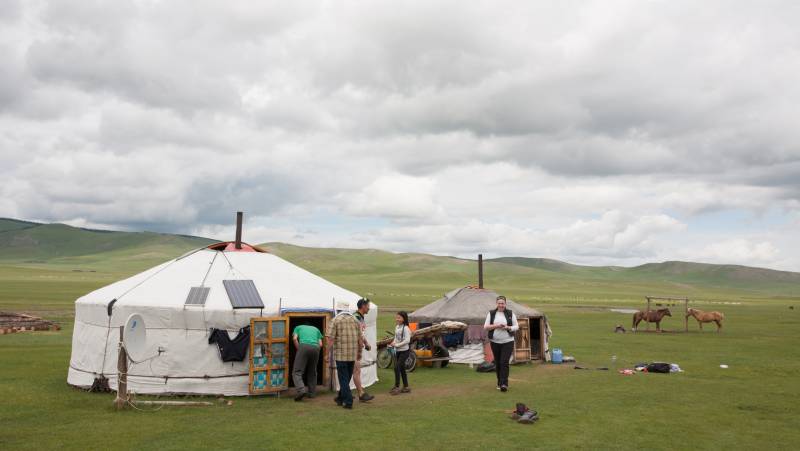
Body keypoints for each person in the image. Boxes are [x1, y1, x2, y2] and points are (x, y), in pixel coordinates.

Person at [326, 309, 362, 409]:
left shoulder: (335, 320)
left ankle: (348, 400)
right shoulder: (355, 320)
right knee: (346, 378)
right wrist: (359, 352)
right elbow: (360, 338)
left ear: (338, 310)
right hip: (352, 355)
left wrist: (326, 354)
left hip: (341, 355)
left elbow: (331, 339)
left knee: (343, 379)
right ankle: (340, 398)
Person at [483, 295, 518, 392]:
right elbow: (485, 327)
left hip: (508, 341)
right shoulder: (491, 313)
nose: (501, 305)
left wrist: (508, 327)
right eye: (499, 303)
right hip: (495, 342)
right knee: (498, 363)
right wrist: (496, 326)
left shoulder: (510, 313)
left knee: (504, 362)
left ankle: (504, 384)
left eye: (502, 303)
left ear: (505, 304)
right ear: (496, 304)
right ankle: (499, 382)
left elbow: (516, 326)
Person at [291, 324, 323, 402]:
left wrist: (299, 349)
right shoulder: (316, 329)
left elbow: (294, 339)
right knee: (312, 371)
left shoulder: (297, 327)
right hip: (316, 348)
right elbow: (320, 344)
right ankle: (312, 393)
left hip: (303, 346)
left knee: (297, 372)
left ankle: (301, 390)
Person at [353, 298, 375, 402]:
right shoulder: (357, 317)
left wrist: (365, 343)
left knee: (352, 370)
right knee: (356, 370)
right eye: (368, 306)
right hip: (353, 348)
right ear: (363, 306)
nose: (369, 308)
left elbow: (360, 334)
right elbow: (358, 335)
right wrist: (360, 349)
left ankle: (342, 394)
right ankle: (361, 394)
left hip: (354, 347)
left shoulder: (359, 317)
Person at [388, 311, 412, 395]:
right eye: (396, 317)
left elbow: (407, 340)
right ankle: (406, 387)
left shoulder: (406, 328)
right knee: (401, 368)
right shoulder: (397, 327)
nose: (397, 319)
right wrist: (393, 343)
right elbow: (396, 338)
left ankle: (397, 387)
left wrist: (397, 345)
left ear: (404, 319)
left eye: (399, 318)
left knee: (396, 367)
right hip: (398, 351)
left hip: (404, 351)